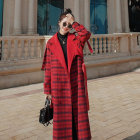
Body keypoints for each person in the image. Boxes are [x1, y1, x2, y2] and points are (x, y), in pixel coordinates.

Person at [41, 8, 91, 140]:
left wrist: (73, 22)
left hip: (76, 87)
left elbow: (85, 34)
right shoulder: (51, 43)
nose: (66, 27)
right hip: (59, 89)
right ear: (58, 23)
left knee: (77, 124)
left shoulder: (76, 39)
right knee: (63, 126)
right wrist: (48, 90)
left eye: (69, 25)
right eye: (64, 24)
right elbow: (48, 68)